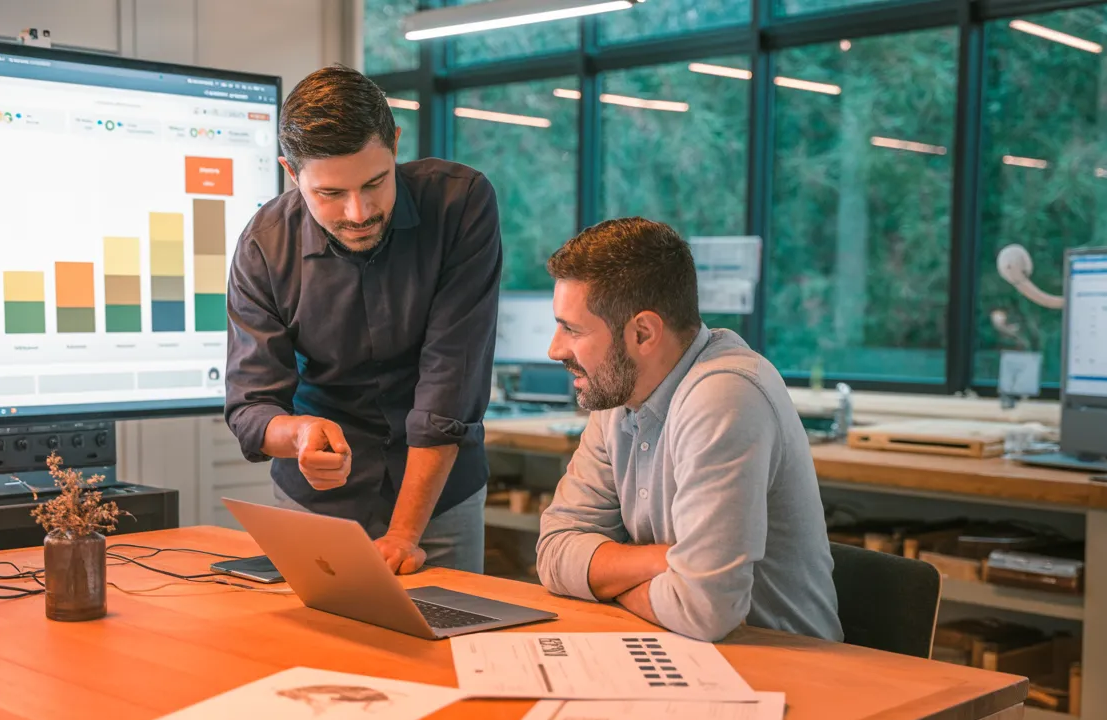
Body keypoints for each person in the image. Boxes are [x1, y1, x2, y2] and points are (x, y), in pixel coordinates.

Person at [225, 65, 501, 575]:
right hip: (317, 502)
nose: (358, 212)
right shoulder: (264, 245)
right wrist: (299, 434)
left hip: (438, 497)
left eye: (375, 182)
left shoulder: (460, 205)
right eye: (330, 194)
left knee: (450, 626)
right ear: (292, 174)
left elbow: (450, 385)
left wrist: (404, 534)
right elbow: (250, 406)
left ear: (395, 143)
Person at [536, 217, 842, 642]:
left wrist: (608, 581)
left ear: (643, 333)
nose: (554, 349)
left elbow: (703, 610)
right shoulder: (619, 393)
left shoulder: (724, 396)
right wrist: (664, 562)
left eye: (572, 329)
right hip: (674, 647)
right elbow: (554, 552)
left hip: (779, 663)